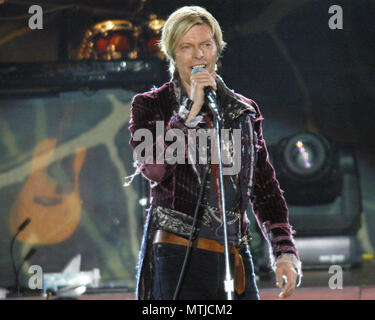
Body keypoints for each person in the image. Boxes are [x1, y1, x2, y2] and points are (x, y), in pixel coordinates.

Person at [126, 6, 302, 300]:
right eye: (187, 47)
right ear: (172, 54)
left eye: (206, 45)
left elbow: (266, 187)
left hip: (234, 253)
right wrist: (188, 113)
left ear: (217, 50)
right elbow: (154, 167)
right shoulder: (150, 105)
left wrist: (284, 251)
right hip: (177, 253)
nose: (199, 56)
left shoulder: (241, 111)